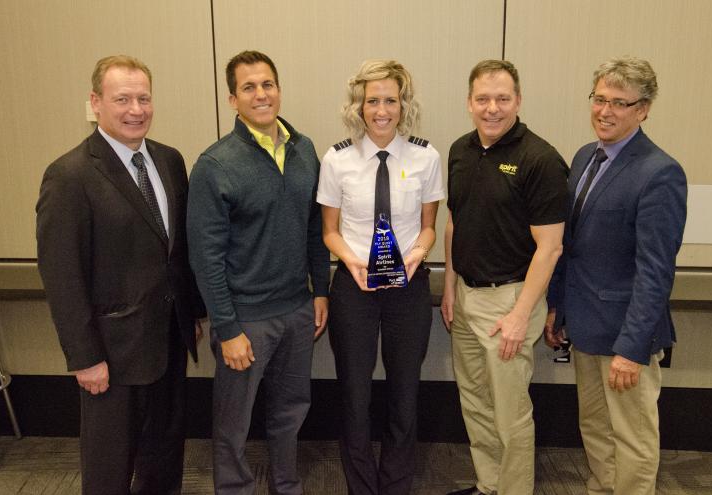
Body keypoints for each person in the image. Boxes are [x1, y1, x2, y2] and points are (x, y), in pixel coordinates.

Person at [36, 54, 205, 495]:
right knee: (110, 467)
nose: (136, 109)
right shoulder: (69, 176)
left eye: (144, 98)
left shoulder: (169, 160)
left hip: (168, 340)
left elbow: (177, 250)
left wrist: (195, 313)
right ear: (95, 102)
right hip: (110, 355)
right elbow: (62, 277)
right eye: (122, 99)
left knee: (164, 455)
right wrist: (84, 357)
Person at [186, 50, 330, 495]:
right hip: (244, 318)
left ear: (279, 91)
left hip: (297, 310)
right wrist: (227, 328)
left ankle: (286, 485)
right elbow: (204, 256)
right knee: (234, 422)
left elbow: (314, 229)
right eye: (248, 87)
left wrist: (320, 292)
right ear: (232, 100)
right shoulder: (215, 165)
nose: (261, 94)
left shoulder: (304, 150)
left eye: (267, 84)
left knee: (291, 411)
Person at [545, 56, 687, 495]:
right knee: (596, 428)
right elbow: (572, 244)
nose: (605, 111)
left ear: (644, 109)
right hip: (585, 325)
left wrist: (632, 348)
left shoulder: (659, 172)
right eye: (600, 99)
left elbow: (655, 272)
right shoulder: (586, 155)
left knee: (633, 436)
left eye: (620, 103)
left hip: (626, 337)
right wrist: (558, 308)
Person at [440, 60, 569, 495]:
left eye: (502, 98)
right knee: (475, 403)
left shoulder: (540, 159)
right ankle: (488, 485)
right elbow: (455, 223)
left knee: (510, 413)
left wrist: (520, 314)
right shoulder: (460, 150)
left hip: (510, 302)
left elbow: (550, 248)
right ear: (469, 102)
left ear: (518, 100)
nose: (492, 108)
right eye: (482, 99)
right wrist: (450, 287)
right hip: (467, 296)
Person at [316, 59, 444, 495]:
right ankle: (360, 486)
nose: (382, 109)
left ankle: (395, 486)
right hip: (354, 289)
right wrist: (352, 262)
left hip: (408, 290)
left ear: (403, 104)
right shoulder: (337, 160)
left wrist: (419, 253)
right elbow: (329, 232)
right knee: (355, 396)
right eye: (373, 100)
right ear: (359, 105)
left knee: (404, 394)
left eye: (391, 99)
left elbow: (429, 226)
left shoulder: (427, 157)